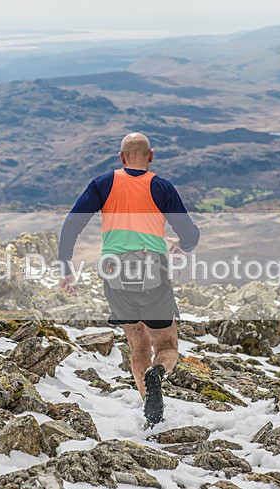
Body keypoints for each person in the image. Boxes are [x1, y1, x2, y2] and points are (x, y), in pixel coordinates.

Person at [57, 132, 200, 425]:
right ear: (151, 156)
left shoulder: (103, 184)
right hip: (153, 274)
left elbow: (71, 224)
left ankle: (151, 413)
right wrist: (181, 245)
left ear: (121, 158)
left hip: (115, 276)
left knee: (138, 347)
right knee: (166, 347)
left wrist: (66, 270)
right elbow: (191, 234)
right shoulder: (161, 187)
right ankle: (158, 373)